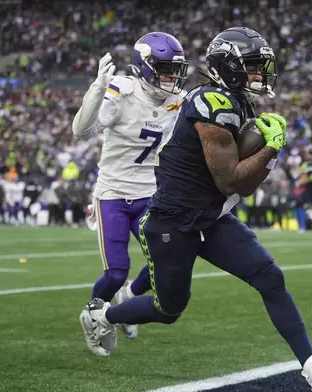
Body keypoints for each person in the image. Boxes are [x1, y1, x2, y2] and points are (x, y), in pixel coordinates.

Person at [79, 27, 312, 391]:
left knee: (270, 277)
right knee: (168, 310)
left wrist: (267, 153)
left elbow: (245, 187)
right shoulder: (212, 103)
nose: (260, 75)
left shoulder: (237, 102)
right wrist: (270, 148)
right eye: (253, 67)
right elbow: (230, 180)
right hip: (173, 223)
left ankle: (310, 366)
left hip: (211, 217)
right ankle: (103, 316)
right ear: (229, 68)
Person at [73, 32, 188, 349]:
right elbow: (80, 130)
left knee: (169, 260)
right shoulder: (122, 90)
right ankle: (93, 316)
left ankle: (130, 296)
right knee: (115, 272)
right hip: (112, 193)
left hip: (150, 193)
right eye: (165, 68)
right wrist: (98, 90)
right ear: (146, 66)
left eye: (174, 69)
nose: (172, 76)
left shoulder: (178, 100)